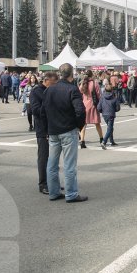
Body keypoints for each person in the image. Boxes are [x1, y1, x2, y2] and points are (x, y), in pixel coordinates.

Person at [44, 64, 87, 203]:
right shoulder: (72, 89)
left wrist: (47, 128)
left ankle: (54, 192)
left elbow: (43, 111)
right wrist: (78, 126)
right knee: (69, 164)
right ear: (71, 74)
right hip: (67, 129)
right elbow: (80, 111)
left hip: (53, 131)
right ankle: (71, 194)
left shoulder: (50, 90)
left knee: (52, 164)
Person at [30, 72, 57, 195]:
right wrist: (48, 104)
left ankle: (53, 182)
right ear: (45, 81)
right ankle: (43, 184)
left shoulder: (53, 91)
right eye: (52, 83)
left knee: (54, 158)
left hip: (55, 128)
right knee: (43, 157)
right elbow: (35, 110)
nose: (54, 86)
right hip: (42, 129)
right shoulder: (36, 92)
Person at [78, 70, 104, 149]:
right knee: (97, 123)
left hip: (84, 104)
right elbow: (99, 94)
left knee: (83, 124)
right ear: (91, 75)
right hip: (93, 104)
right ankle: (101, 139)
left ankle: (82, 141)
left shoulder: (82, 83)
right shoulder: (94, 83)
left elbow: (79, 92)